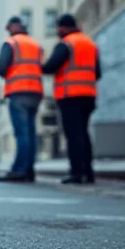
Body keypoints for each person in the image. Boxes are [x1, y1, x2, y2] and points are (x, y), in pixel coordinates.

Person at [42, 13, 101, 184]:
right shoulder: (90, 44)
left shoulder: (66, 44)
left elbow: (51, 66)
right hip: (88, 95)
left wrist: (40, 66)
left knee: (73, 135)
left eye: (58, 27)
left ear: (64, 27)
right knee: (84, 134)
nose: (57, 31)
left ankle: (76, 173)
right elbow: (98, 72)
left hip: (70, 95)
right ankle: (88, 173)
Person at [0, 16, 44, 183]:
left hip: (18, 92)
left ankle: (19, 170)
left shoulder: (11, 43)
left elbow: (0, 67)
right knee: (30, 132)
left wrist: (10, 75)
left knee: (22, 133)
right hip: (35, 93)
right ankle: (29, 170)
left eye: (8, 27)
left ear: (14, 26)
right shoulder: (35, 45)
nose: (8, 31)